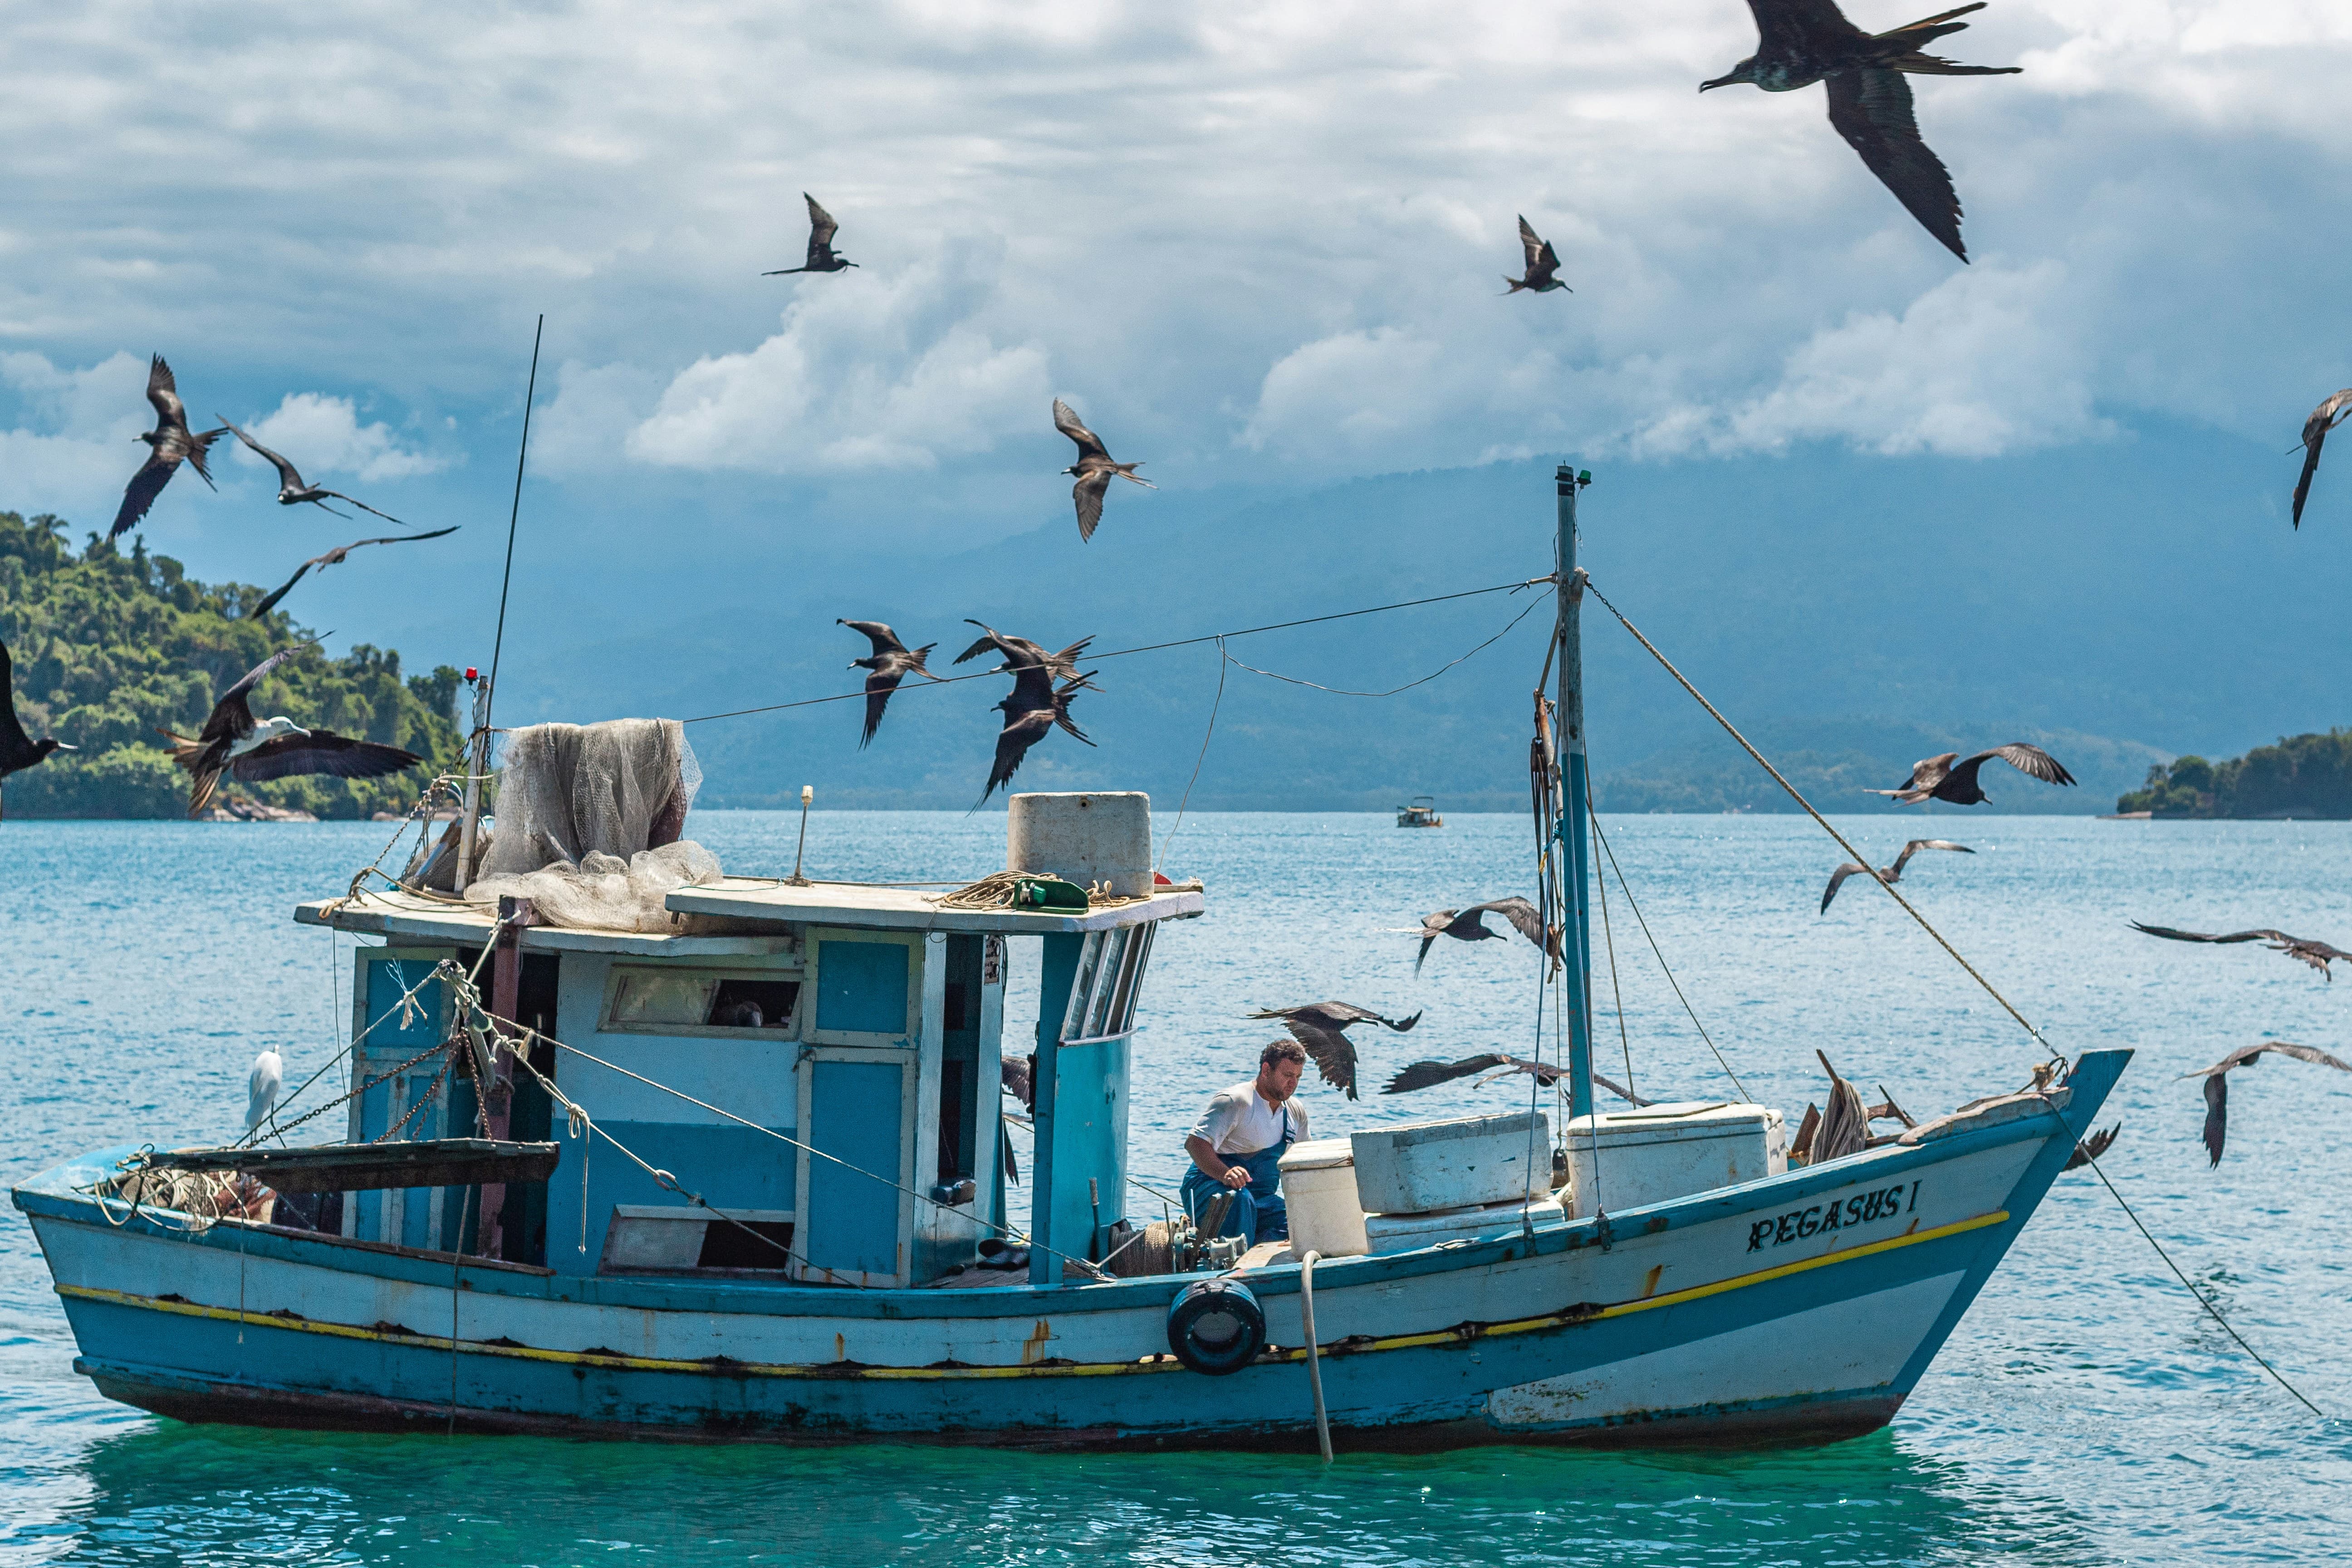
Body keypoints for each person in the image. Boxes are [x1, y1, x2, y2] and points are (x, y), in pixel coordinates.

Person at [1181, 1039, 1310, 1247]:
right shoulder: (1236, 1101)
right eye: (1287, 1075)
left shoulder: (1295, 1112)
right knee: (1240, 1200)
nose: (1293, 1083)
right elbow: (1195, 1144)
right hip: (1210, 1189)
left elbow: (1304, 1161)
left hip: (1260, 1198)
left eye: (1298, 1077)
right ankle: (1233, 1259)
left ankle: (1261, 1257)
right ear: (1266, 1070)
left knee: (1300, 1221)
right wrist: (1226, 1174)